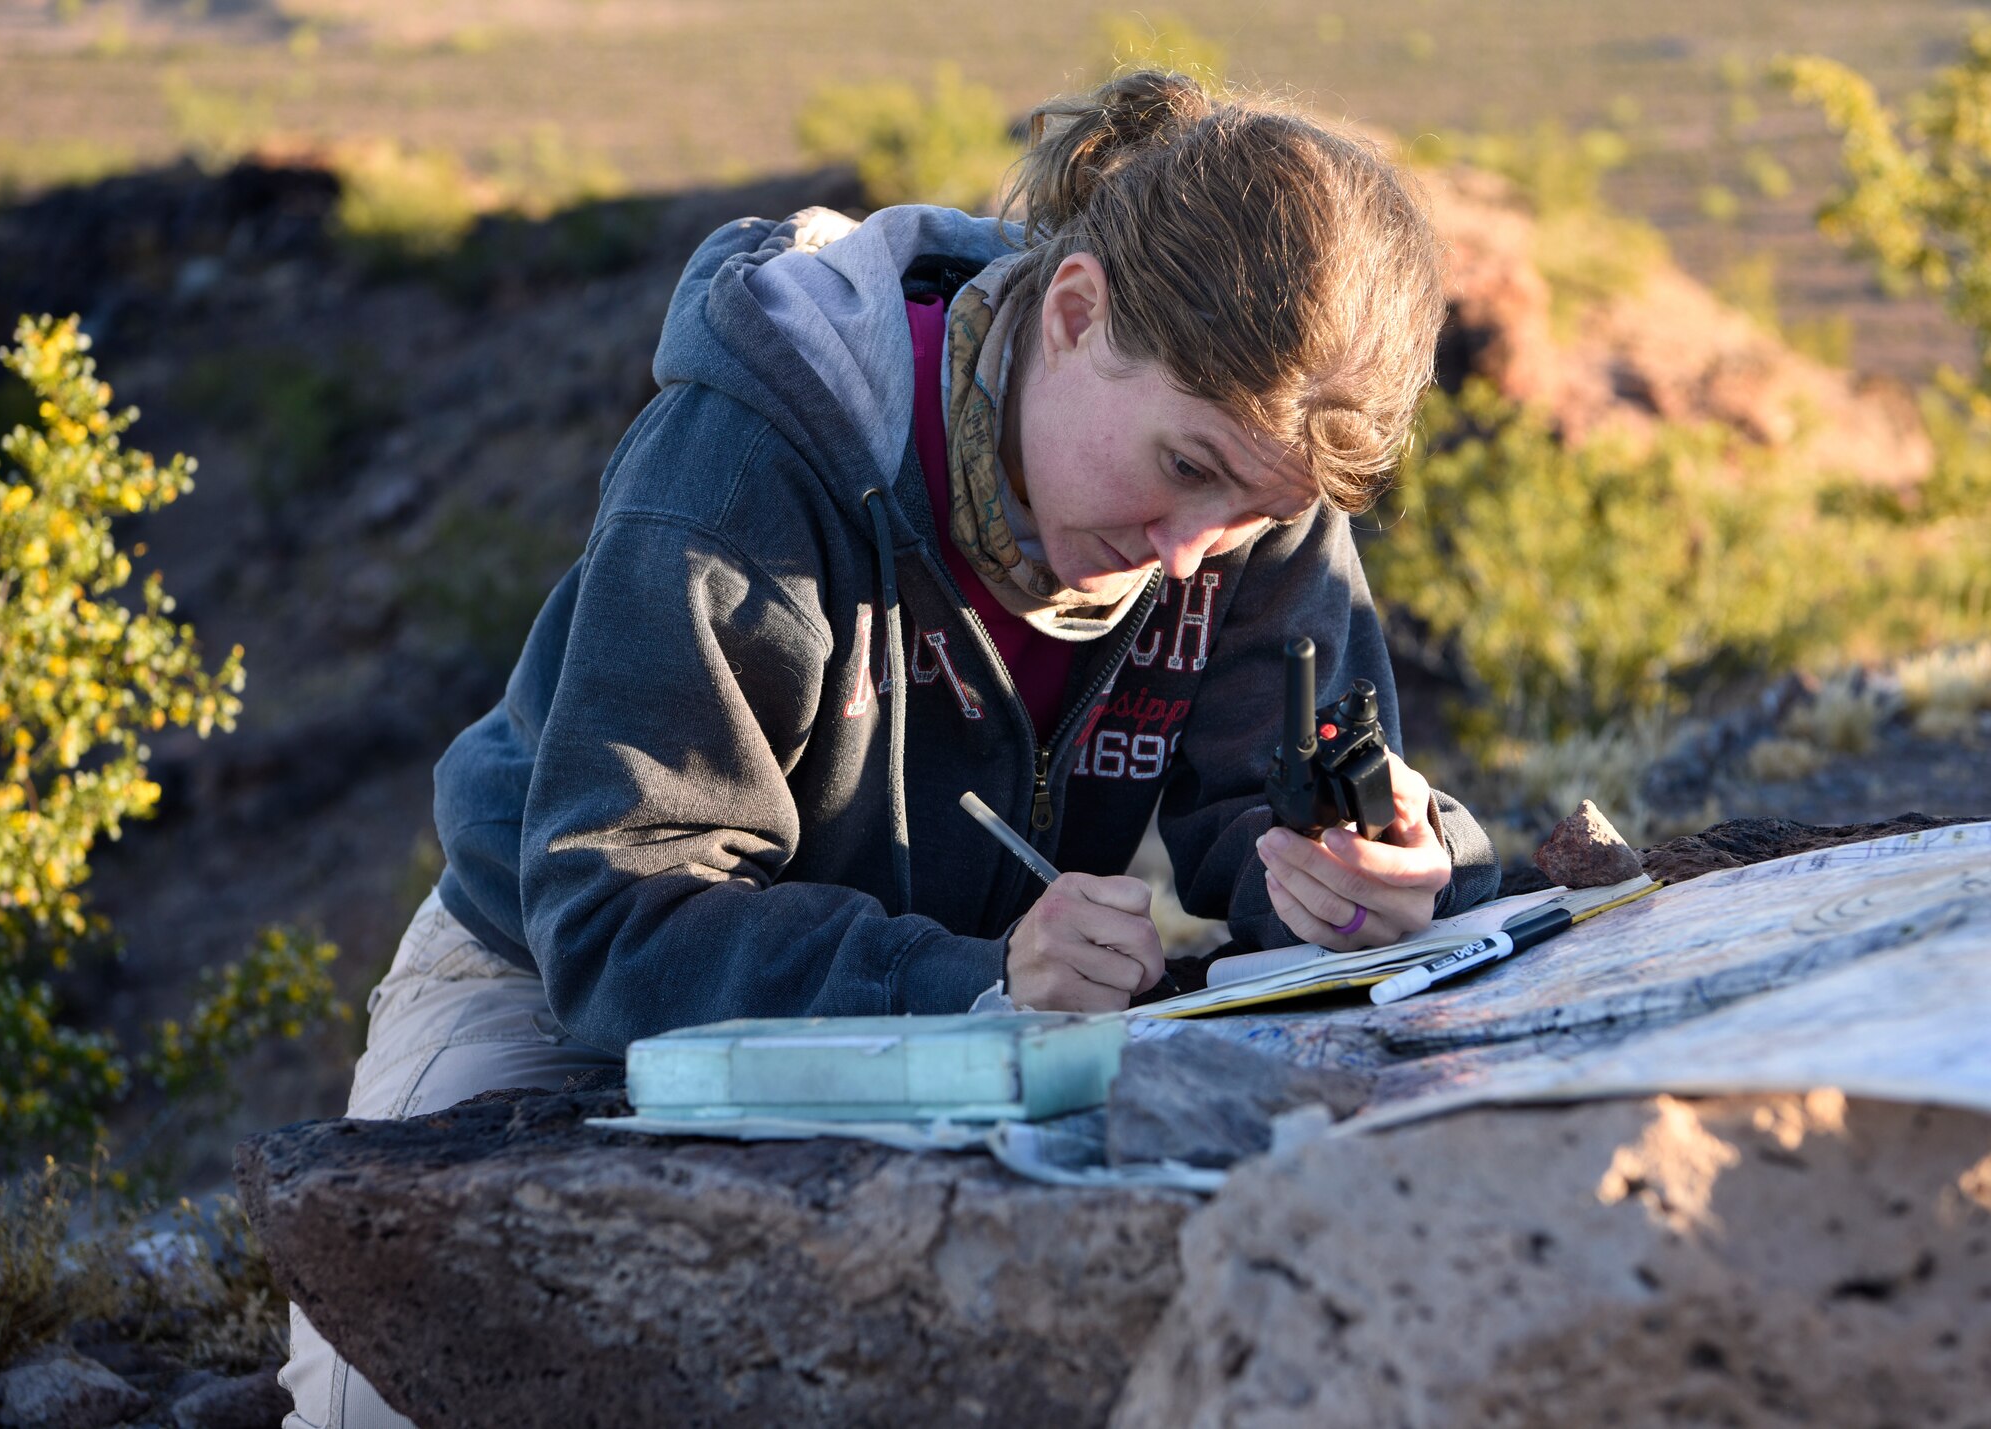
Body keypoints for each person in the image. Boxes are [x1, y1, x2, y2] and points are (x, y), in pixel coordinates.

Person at [281, 70, 1499, 1428]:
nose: (1187, 553)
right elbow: (617, 911)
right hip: (557, 989)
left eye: (1248, 510)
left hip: (980, 1025)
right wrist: (973, 984)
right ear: (1078, 309)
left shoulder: (1251, 492)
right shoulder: (757, 449)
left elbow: (1278, 812)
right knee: (387, 1395)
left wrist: (1373, 866)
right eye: (1185, 467)